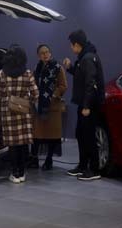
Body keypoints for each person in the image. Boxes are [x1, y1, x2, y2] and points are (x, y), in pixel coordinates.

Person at [63, 30, 105, 181]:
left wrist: (86, 106)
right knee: (81, 134)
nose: (70, 48)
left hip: (89, 105)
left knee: (88, 136)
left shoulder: (87, 58)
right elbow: (82, 76)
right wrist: (70, 68)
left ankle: (94, 169)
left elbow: (90, 83)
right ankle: (82, 166)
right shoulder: (84, 57)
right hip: (85, 103)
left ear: (76, 44)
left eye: (71, 45)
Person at [0, 45, 39, 183]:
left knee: (12, 144)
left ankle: (14, 173)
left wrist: (9, 100)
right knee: (23, 143)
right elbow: (35, 94)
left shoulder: (1, 73)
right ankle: (22, 172)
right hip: (23, 112)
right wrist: (25, 101)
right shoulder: (27, 73)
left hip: (8, 113)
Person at [31, 44, 68, 170]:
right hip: (39, 107)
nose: (45, 54)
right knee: (37, 135)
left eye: (47, 52)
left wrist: (52, 95)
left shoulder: (58, 68)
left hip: (52, 107)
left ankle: (49, 160)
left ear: (50, 53)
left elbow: (63, 86)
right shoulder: (37, 67)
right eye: (42, 53)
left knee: (52, 136)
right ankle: (34, 159)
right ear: (38, 56)